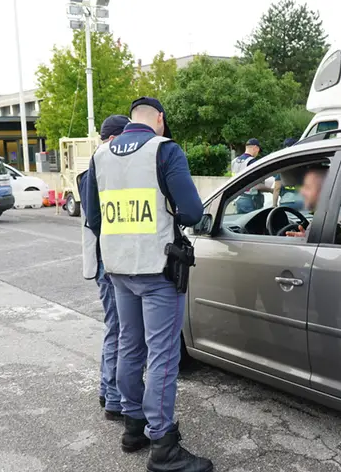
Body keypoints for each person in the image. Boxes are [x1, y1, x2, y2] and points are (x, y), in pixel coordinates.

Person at [84, 97, 213, 472]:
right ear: (159, 119)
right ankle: (164, 447)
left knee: (129, 346)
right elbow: (191, 212)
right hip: (157, 271)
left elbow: (93, 217)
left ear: (130, 121)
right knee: (162, 356)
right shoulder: (164, 150)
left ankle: (133, 426)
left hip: (119, 269)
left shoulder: (101, 155)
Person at [78, 114, 131, 421]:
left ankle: (106, 389)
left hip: (105, 261)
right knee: (120, 330)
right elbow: (100, 222)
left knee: (116, 328)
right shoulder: (99, 172)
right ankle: (113, 397)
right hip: (108, 262)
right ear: (113, 139)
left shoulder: (94, 171)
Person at [231, 139, 271, 214]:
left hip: (238, 199)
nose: (257, 153)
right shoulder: (252, 162)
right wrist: (272, 190)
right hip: (251, 200)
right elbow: (258, 185)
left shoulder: (234, 161)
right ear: (255, 148)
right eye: (258, 150)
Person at [285, 167, 328, 238]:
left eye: (308, 187)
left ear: (323, 191)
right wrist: (305, 236)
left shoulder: (325, 223)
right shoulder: (326, 219)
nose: (302, 192)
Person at [272, 138, 302, 210]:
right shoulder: (303, 161)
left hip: (288, 201)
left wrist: (274, 205)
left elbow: (277, 188)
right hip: (303, 199)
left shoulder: (284, 165)